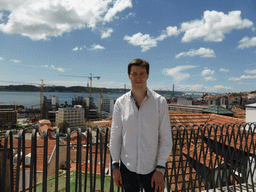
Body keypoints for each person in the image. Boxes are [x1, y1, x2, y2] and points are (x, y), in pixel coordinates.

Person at [109, 58, 173, 192]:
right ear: (129, 76)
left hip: (152, 168)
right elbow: (115, 136)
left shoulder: (160, 102)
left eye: (142, 73)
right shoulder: (120, 103)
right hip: (127, 168)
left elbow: (166, 137)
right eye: (134, 74)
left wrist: (160, 169)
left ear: (148, 75)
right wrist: (115, 167)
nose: (138, 77)